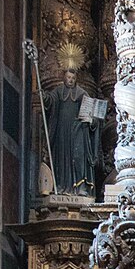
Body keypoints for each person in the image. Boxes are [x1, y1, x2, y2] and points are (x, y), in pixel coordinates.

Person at [45, 68, 101, 196]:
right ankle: (61, 185)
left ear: (76, 80)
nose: (70, 80)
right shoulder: (58, 91)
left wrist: (91, 120)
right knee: (62, 157)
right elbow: (50, 101)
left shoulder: (82, 94)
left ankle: (80, 187)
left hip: (78, 130)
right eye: (68, 77)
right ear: (64, 78)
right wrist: (44, 97)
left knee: (79, 156)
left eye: (73, 78)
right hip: (62, 130)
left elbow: (93, 115)